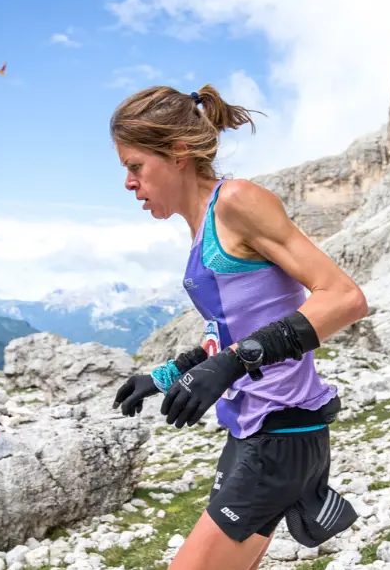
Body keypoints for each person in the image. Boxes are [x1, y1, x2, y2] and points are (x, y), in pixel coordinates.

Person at [110, 85, 369, 570]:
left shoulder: (237, 201)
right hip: (256, 430)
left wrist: (234, 362)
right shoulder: (202, 227)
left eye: (135, 166)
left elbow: (344, 297)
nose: (128, 182)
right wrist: (167, 375)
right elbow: (236, 328)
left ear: (179, 153)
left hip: (280, 431)